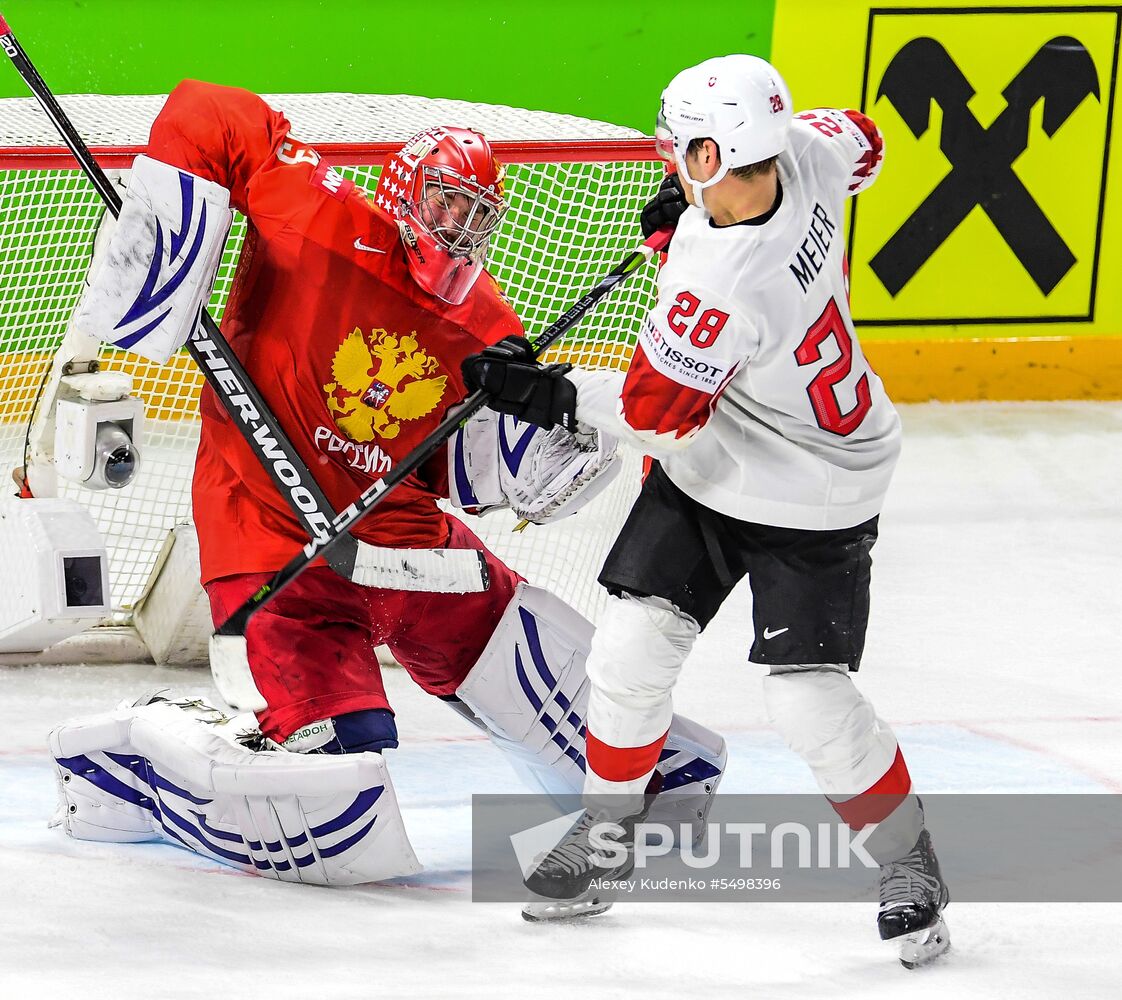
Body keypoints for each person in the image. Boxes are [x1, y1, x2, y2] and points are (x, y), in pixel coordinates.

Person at [49, 80, 727, 886]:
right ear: (404, 190)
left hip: (408, 553)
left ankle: (611, 778)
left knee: (643, 767)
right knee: (337, 820)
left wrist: (543, 451)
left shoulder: (490, 327)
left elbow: (467, 469)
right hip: (273, 548)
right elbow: (209, 109)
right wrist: (168, 227)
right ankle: (137, 760)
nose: (457, 227)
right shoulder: (317, 213)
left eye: (477, 214)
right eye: (444, 201)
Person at [463, 54, 950, 966]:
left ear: (704, 153)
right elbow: (868, 140)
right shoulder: (808, 151)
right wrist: (687, 208)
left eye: (685, 156)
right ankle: (609, 835)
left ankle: (907, 859)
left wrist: (545, 394)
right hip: (731, 457)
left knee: (808, 700)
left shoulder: (718, 286)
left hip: (816, 487)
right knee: (629, 647)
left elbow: (652, 417)